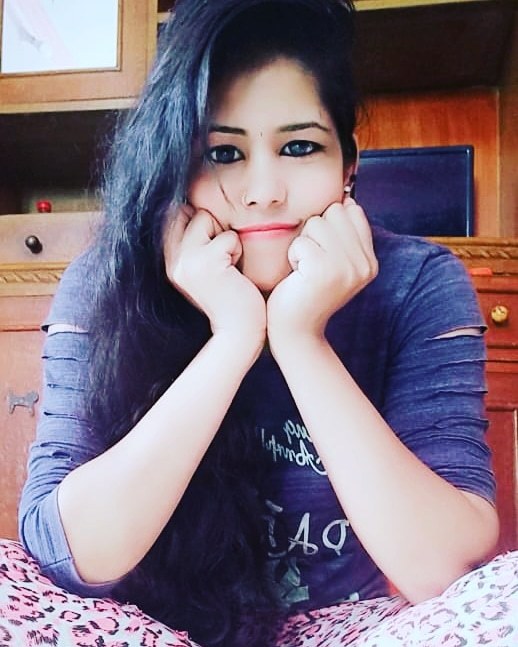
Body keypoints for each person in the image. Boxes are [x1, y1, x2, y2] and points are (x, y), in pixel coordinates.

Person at [1, 1, 517, 646]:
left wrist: (302, 339)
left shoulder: (417, 282)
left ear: (349, 167)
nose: (263, 190)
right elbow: (69, 556)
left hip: (347, 630)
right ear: (174, 171)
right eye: (223, 152)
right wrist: (234, 339)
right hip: (145, 628)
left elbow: (446, 573)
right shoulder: (107, 281)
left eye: (299, 147)